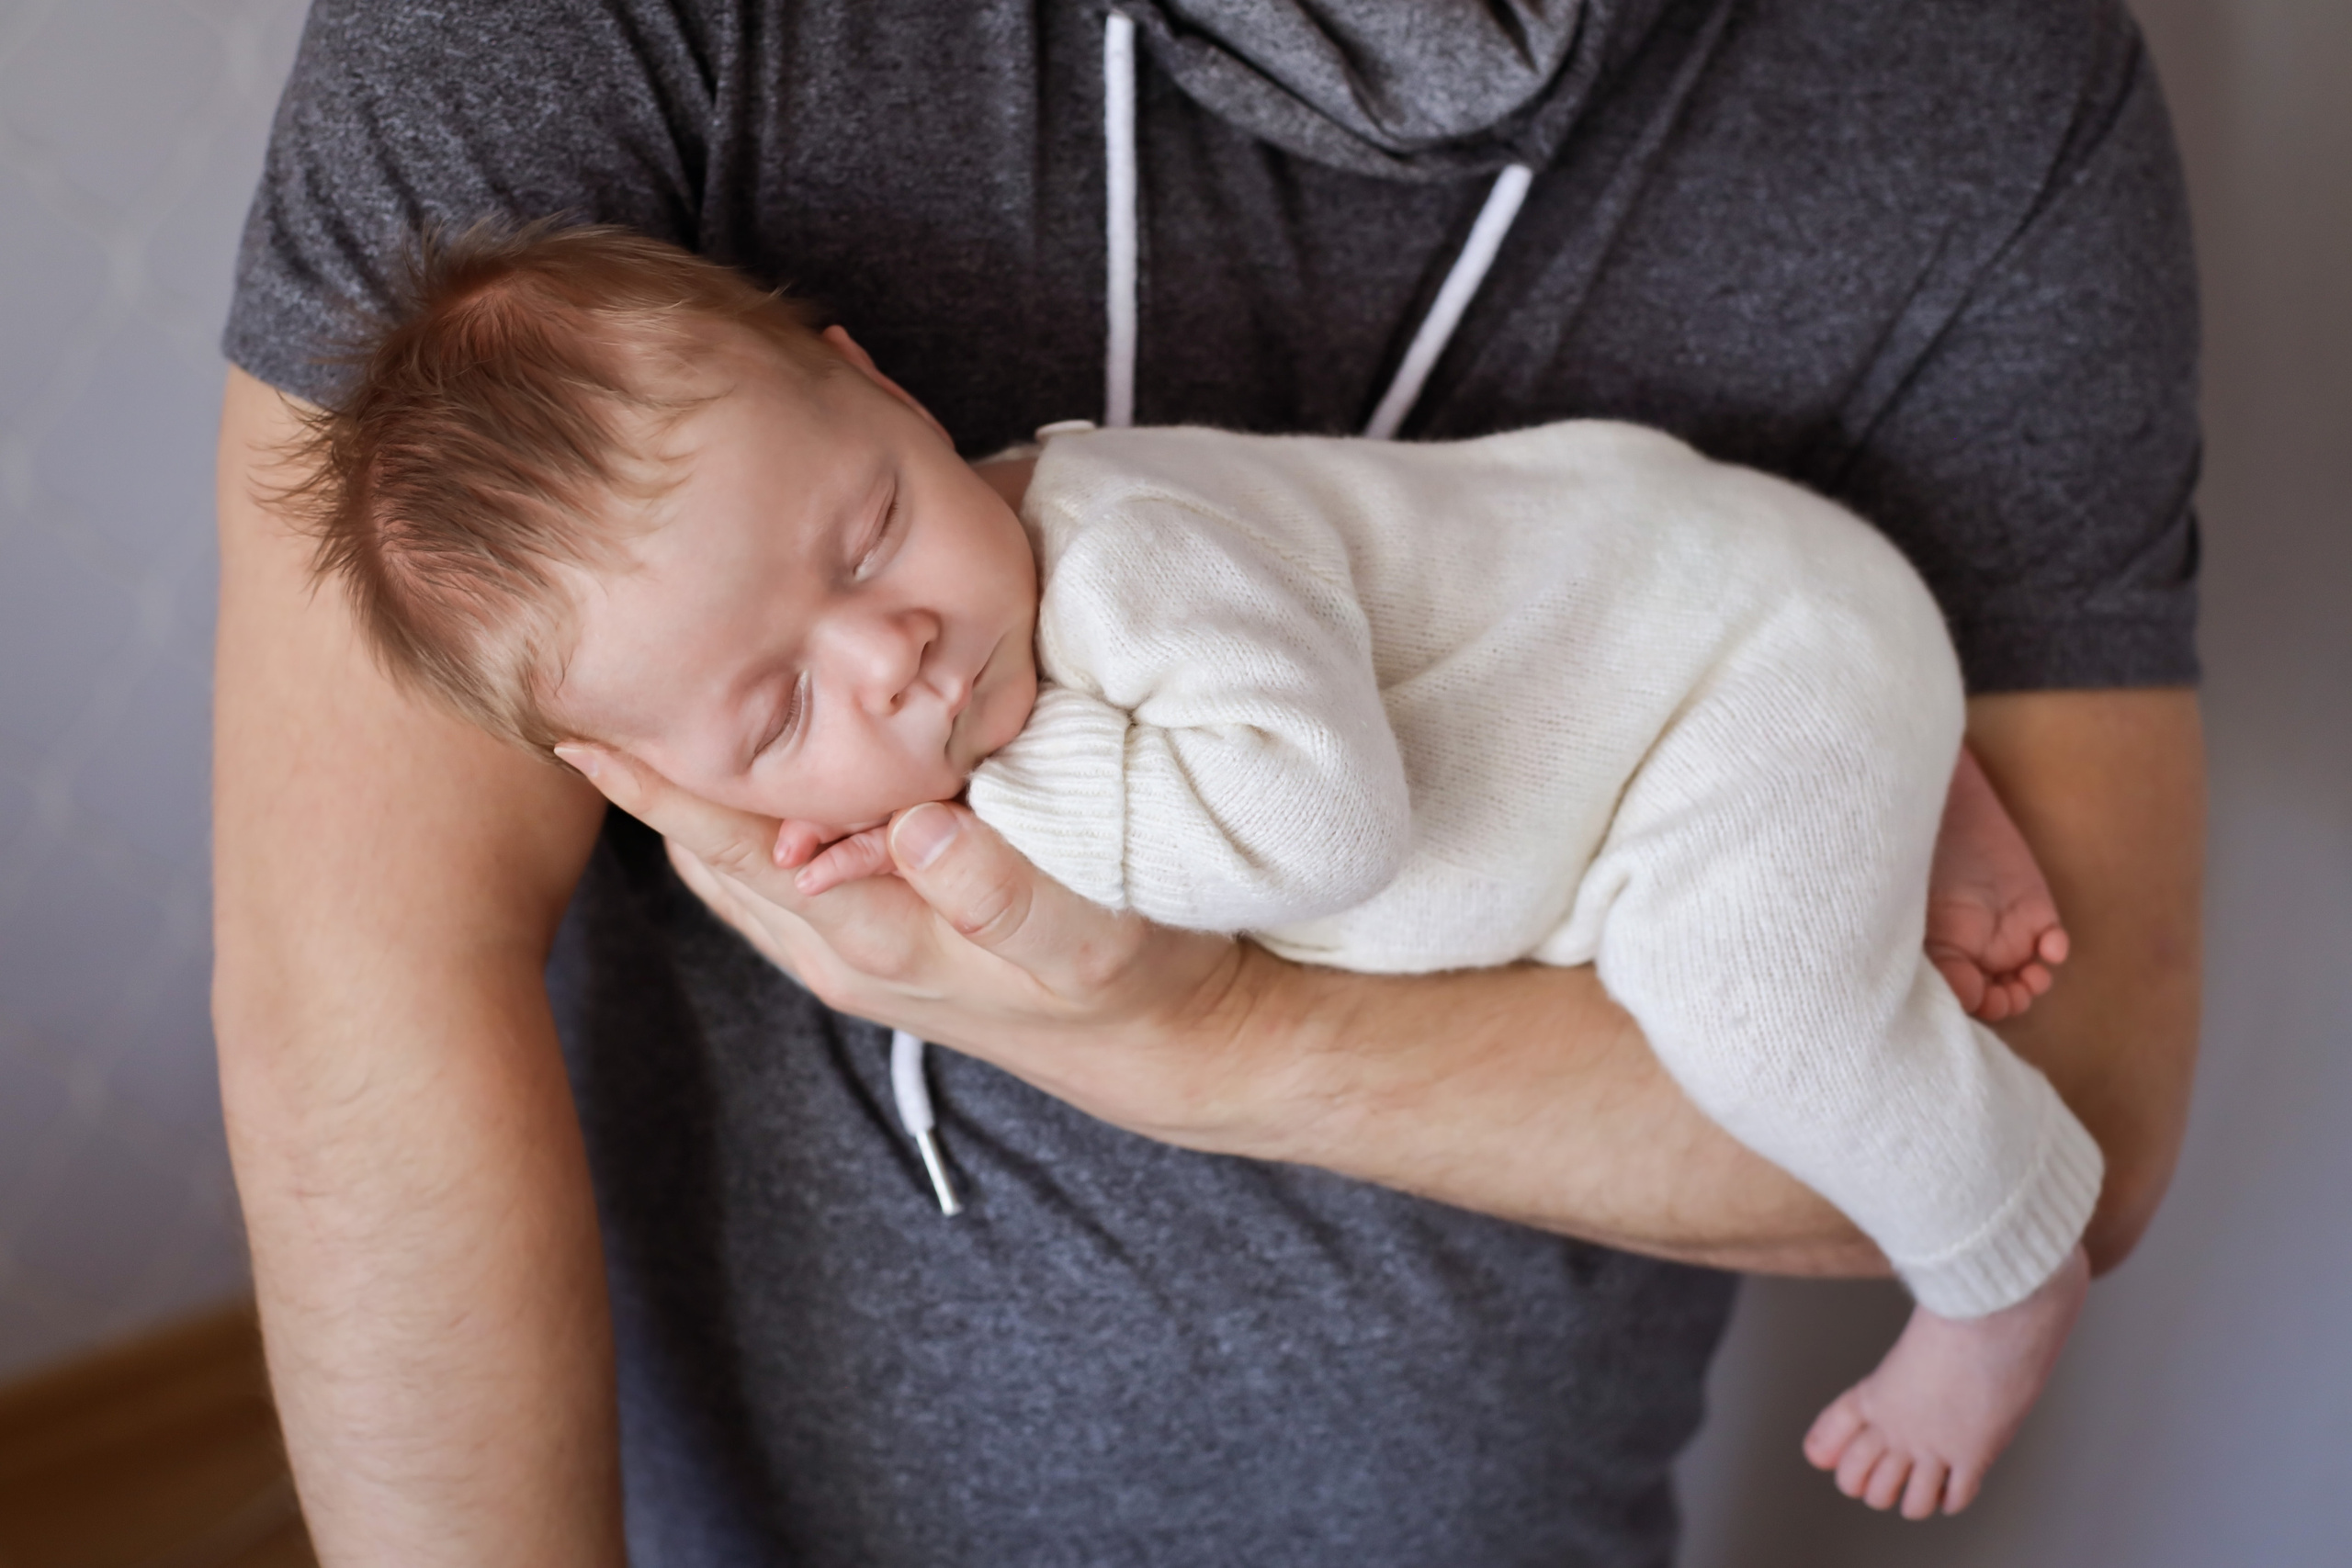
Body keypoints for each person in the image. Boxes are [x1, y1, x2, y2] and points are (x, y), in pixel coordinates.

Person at [212, 2, 2204, 1562]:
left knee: (1757, 1000)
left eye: (867, 531)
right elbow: (356, 978)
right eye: (766, 714)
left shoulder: (1122, 553)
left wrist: (1075, 901)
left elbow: (1316, 821)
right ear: (632, 775)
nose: (891, 649)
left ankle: (1993, 1265)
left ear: (883, 384)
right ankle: (1894, 771)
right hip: (1697, 639)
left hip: (1746, 666)